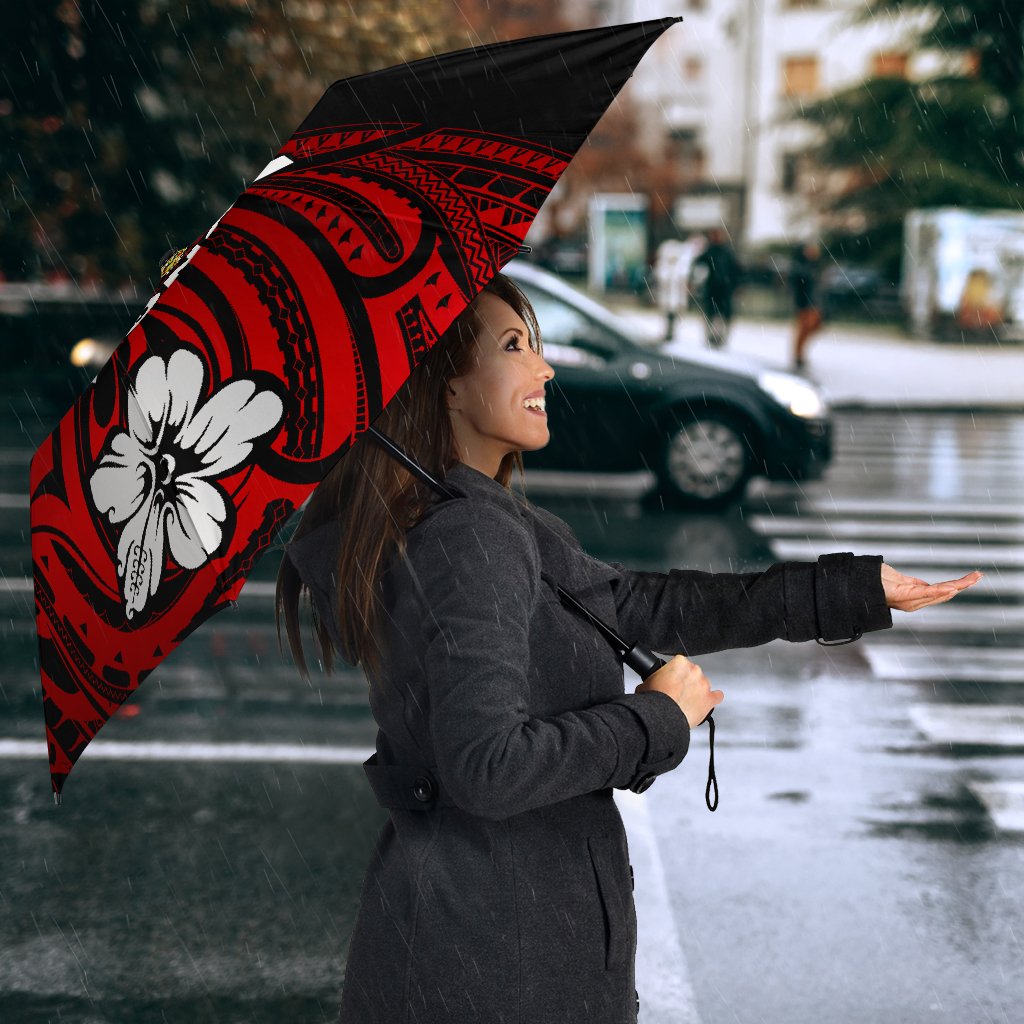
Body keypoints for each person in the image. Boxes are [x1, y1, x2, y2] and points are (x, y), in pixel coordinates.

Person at [277, 272, 982, 1024]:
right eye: (515, 346)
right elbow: (487, 767)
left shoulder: (483, 521)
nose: (544, 368)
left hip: (486, 940)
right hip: (495, 960)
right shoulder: (470, 537)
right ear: (447, 387)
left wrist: (847, 590)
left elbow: (644, 605)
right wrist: (654, 719)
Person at [691, 227, 742, 349]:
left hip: (724, 289)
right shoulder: (710, 251)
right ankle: (711, 336)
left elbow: (736, 270)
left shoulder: (726, 252)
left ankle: (720, 337)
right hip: (713, 288)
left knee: (722, 314)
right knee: (711, 313)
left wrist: (736, 285)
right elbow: (698, 264)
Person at [790, 240, 824, 370]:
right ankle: (798, 355)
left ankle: (800, 354)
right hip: (805, 302)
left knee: (814, 326)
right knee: (804, 329)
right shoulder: (800, 266)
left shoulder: (814, 266)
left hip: (814, 302)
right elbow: (799, 285)